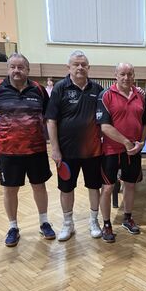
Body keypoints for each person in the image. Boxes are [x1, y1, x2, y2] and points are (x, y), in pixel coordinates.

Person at [0, 53, 55, 246]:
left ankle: (44, 222)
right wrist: (3, 132)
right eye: (13, 67)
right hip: (9, 151)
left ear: (27, 70)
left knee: (39, 186)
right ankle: (13, 227)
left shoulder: (39, 90)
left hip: (36, 150)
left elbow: (47, 117)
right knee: (10, 190)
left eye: (20, 67)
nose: (16, 70)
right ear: (8, 69)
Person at [46, 50, 103, 241]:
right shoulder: (60, 88)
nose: (80, 67)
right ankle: (68, 224)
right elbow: (51, 120)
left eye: (83, 64)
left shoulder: (97, 89)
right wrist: (55, 149)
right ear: (68, 67)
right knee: (66, 188)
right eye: (76, 64)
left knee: (94, 187)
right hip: (67, 152)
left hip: (93, 150)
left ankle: (94, 221)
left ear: (88, 67)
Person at [96, 63, 146, 243]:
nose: (126, 77)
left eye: (130, 74)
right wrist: (126, 142)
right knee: (108, 188)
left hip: (133, 151)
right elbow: (104, 127)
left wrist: (141, 142)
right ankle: (106, 224)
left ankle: (127, 218)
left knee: (130, 185)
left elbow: (144, 123)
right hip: (111, 150)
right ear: (115, 75)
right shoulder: (105, 95)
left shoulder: (140, 95)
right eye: (122, 74)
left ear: (134, 76)